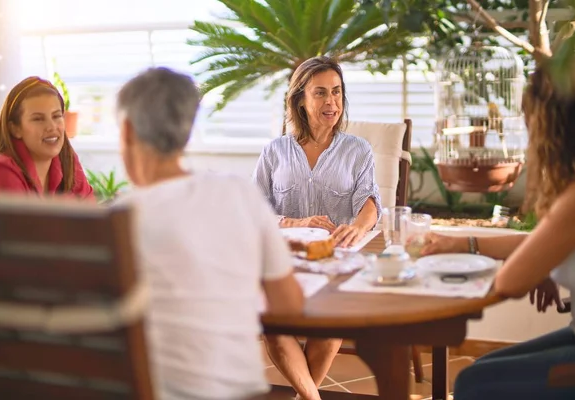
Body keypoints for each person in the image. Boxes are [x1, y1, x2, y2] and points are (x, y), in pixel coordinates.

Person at [113, 67, 304, 400]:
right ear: (185, 132)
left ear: (127, 131)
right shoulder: (239, 194)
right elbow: (288, 305)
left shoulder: (120, 217)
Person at [421, 61, 575, 399]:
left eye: (531, 122)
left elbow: (510, 283)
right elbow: (541, 242)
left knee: (474, 383)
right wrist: (459, 243)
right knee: (481, 369)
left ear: (554, 130)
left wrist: (536, 265)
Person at [253, 56, 381, 400]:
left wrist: (357, 226)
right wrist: (295, 222)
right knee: (275, 329)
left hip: (333, 262)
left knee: (330, 327)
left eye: (337, 92)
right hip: (286, 263)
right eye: (321, 93)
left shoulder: (358, 150)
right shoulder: (274, 151)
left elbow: (370, 200)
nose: (331, 102)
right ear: (300, 100)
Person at [0, 76, 93, 197]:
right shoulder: (2, 171)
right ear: (15, 128)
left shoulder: (68, 160)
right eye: (38, 119)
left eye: (56, 116)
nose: (51, 127)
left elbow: (90, 211)